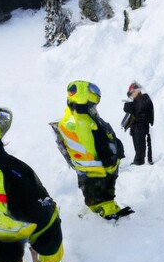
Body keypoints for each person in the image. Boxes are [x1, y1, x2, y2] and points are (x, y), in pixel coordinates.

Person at [0, 101, 75, 262]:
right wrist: (49, 214)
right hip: (22, 221)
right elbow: (39, 207)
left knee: (2, 252)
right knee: (48, 230)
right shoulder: (12, 169)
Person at [55, 81, 133, 220]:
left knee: (96, 191)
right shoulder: (84, 121)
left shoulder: (74, 118)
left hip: (90, 169)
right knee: (101, 191)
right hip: (98, 168)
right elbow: (97, 142)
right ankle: (103, 212)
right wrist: (111, 156)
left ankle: (99, 209)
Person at [123, 81, 154, 165]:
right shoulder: (135, 100)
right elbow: (126, 108)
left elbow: (140, 108)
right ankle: (141, 160)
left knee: (141, 144)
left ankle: (140, 161)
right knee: (138, 143)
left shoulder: (144, 98)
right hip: (136, 125)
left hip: (141, 125)